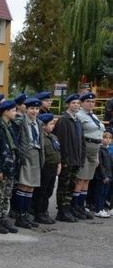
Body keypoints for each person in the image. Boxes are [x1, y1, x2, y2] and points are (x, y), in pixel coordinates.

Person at [11, 98, 44, 229]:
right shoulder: (20, 121)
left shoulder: (39, 123)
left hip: (36, 154)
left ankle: (26, 215)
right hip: (26, 155)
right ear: (26, 109)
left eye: (36, 109)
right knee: (23, 185)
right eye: (32, 108)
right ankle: (20, 215)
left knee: (31, 187)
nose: (34, 111)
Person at [0, 100, 19, 234]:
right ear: (5, 112)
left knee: (7, 194)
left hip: (10, 165)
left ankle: (4, 218)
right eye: (13, 110)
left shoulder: (10, 125)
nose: (15, 113)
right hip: (2, 165)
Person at [53, 94, 85, 222]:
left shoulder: (77, 120)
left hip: (76, 159)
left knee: (72, 184)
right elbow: (61, 141)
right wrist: (63, 160)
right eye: (73, 103)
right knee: (64, 185)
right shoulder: (64, 120)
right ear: (68, 105)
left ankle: (68, 208)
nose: (76, 105)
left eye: (78, 103)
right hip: (68, 159)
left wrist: (81, 158)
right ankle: (62, 210)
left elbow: (81, 141)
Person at [74, 92, 105, 219]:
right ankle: (75, 206)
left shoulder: (94, 116)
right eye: (88, 101)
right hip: (85, 148)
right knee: (80, 178)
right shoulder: (79, 116)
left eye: (93, 102)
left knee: (87, 179)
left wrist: (97, 155)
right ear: (82, 103)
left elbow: (98, 134)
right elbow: (77, 135)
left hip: (95, 149)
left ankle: (81, 206)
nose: (91, 103)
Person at [31, 113, 61, 224]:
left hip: (53, 167)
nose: (53, 126)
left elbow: (57, 152)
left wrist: (59, 164)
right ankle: (38, 212)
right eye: (51, 123)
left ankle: (44, 211)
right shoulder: (40, 138)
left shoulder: (53, 137)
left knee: (49, 191)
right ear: (43, 126)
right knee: (41, 192)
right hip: (45, 167)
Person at [91, 130, 112, 218]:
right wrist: (104, 176)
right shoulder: (100, 149)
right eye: (105, 137)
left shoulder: (107, 149)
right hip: (102, 176)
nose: (107, 140)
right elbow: (100, 165)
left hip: (108, 175)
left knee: (105, 193)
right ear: (101, 138)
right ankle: (98, 209)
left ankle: (102, 208)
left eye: (109, 138)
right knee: (100, 192)